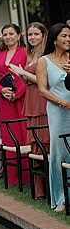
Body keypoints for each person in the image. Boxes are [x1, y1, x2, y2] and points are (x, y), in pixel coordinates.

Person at [10, 22, 49, 198]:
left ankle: (50, 186)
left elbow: (44, 82)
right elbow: (28, 82)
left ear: (43, 35)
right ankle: (39, 189)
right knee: (34, 142)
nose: (32, 37)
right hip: (31, 99)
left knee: (45, 139)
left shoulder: (46, 55)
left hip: (42, 99)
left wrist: (25, 74)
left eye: (36, 34)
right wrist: (20, 75)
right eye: (30, 34)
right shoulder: (30, 54)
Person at [0, 23, 29, 186]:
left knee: (24, 132)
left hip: (22, 97)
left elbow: (31, 76)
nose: (8, 37)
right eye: (5, 35)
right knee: (9, 134)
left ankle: (28, 176)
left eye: (11, 34)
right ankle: (13, 177)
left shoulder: (25, 53)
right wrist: (1, 90)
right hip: (5, 100)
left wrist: (17, 94)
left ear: (18, 36)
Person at [36, 23, 70, 211]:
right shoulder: (44, 61)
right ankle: (61, 198)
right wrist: (63, 104)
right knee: (59, 152)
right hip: (58, 111)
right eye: (64, 36)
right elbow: (42, 90)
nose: (68, 40)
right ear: (55, 39)